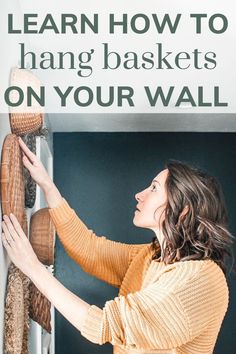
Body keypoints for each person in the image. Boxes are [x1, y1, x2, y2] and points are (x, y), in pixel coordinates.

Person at [1, 136, 234, 354]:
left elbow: (103, 325)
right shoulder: (151, 257)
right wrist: (48, 187)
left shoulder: (202, 282)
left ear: (183, 212)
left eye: (154, 188)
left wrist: (32, 267)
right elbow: (90, 250)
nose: (139, 194)